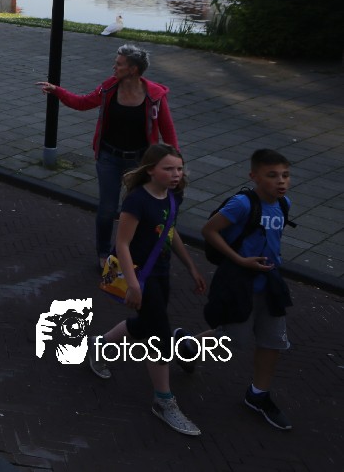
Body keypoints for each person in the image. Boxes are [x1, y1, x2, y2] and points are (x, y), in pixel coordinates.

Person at [86, 144, 206, 437]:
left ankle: (100, 346)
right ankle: (163, 401)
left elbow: (170, 232)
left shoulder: (174, 196)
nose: (176, 174)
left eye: (179, 168)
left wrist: (190, 266)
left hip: (162, 274)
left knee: (145, 324)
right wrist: (133, 284)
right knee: (160, 336)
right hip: (141, 276)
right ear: (151, 170)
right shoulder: (137, 200)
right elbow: (122, 243)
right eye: (169, 169)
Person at [180, 149, 295, 430]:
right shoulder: (242, 204)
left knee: (273, 341)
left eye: (285, 175)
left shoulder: (284, 203)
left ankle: (258, 395)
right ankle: (188, 346)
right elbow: (209, 231)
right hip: (241, 283)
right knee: (233, 339)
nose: (281, 181)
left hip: (271, 283)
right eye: (272, 175)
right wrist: (240, 260)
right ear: (254, 176)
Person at [37, 43, 178, 270]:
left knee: (137, 209)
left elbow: (168, 131)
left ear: (133, 69)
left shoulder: (154, 96)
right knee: (107, 209)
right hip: (108, 157)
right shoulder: (109, 87)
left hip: (140, 161)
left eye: (119, 64)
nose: (114, 66)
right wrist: (57, 90)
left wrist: (174, 165)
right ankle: (104, 253)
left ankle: (132, 252)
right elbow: (83, 103)